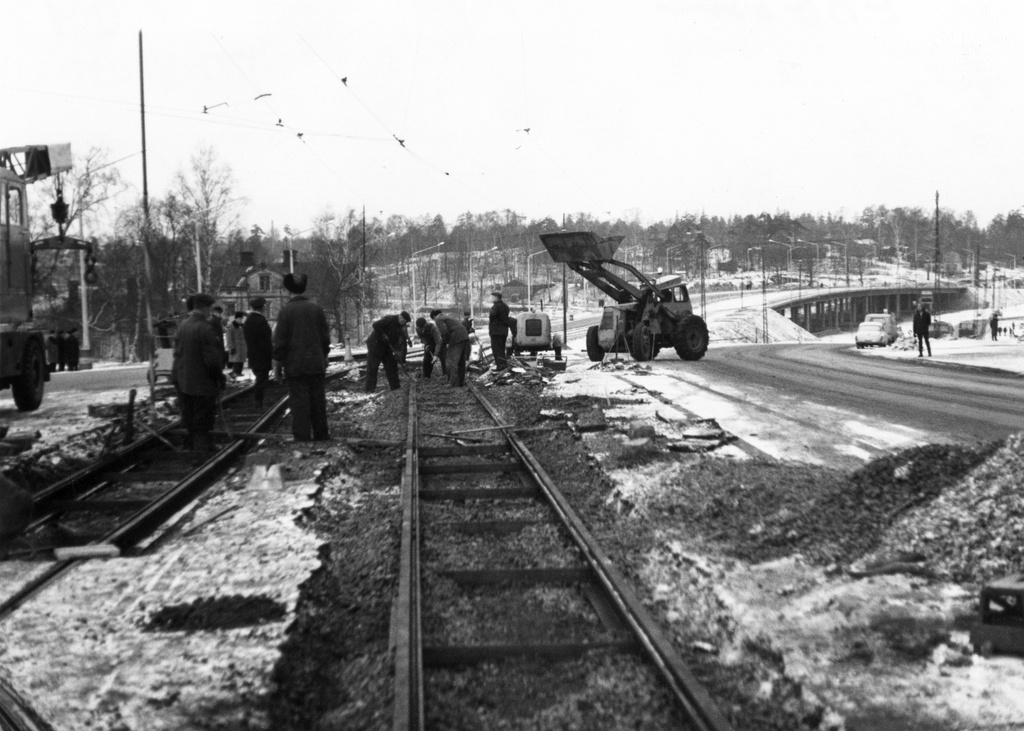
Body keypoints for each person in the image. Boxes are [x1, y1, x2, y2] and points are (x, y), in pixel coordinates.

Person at [273, 273, 331, 441]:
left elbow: (280, 342)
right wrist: (324, 356)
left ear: (288, 290)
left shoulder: (285, 312)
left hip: (295, 365)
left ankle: (302, 436)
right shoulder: (317, 309)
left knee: (299, 402)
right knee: (318, 401)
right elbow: (325, 338)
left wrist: (278, 366)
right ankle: (322, 434)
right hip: (316, 364)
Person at [172, 293, 225, 451]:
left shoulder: (182, 325)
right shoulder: (205, 328)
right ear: (206, 308)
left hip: (183, 381)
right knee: (203, 418)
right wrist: (219, 377)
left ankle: (190, 447)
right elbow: (211, 360)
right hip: (202, 383)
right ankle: (201, 453)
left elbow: (177, 353)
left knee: (188, 416)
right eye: (209, 307)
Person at [365, 311, 412, 392]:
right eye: (404, 321)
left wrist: (397, 352)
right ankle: (369, 390)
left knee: (392, 367)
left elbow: (396, 340)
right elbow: (375, 325)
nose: (404, 323)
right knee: (372, 368)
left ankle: (395, 388)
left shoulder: (399, 326)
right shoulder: (389, 319)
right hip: (375, 347)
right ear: (400, 317)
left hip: (387, 348)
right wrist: (383, 334)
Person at [243, 297, 273, 407]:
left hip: (253, 355)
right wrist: (271, 354)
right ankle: (258, 402)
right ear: (262, 307)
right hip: (262, 355)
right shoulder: (261, 321)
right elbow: (266, 341)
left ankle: (258, 401)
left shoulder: (248, 321)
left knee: (259, 378)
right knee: (261, 379)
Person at [433, 312, 470, 387]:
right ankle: (460, 381)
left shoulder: (438, 319)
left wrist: (447, 342)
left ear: (433, 317)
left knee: (451, 360)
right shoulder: (447, 317)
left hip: (456, 337)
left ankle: (452, 382)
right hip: (464, 335)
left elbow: (444, 332)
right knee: (460, 361)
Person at [488, 291, 513, 369]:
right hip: (504, 331)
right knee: (501, 349)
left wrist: (492, 324)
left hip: (496, 331)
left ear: (496, 297)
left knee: (496, 349)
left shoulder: (495, 306)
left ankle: (499, 366)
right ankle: (503, 364)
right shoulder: (505, 306)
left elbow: (492, 315)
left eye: (491, 297)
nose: (490, 298)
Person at [226, 311, 247, 378]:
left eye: (241, 319)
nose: (240, 320)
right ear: (236, 319)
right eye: (239, 319)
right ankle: (235, 372)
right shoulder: (231, 326)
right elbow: (229, 338)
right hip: (235, 346)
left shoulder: (242, 326)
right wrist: (231, 347)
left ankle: (239, 372)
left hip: (242, 347)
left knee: (241, 360)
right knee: (236, 360)